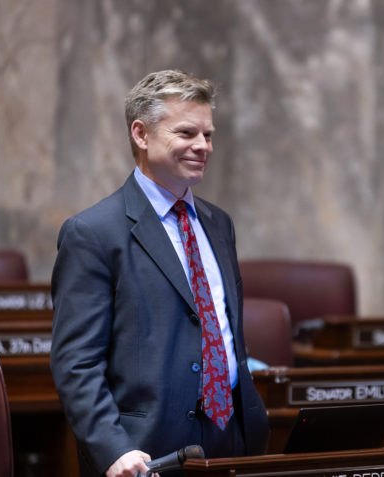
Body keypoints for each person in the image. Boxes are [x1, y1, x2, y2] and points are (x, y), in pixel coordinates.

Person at [50, 70, 269, 477]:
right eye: (186, 133)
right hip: (145, 454)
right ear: (141, 134)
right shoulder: (93, 233)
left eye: (208, 134)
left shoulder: (219, 224)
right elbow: (76, 363)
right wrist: (113, 449)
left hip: (233, 441)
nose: (203, 146)